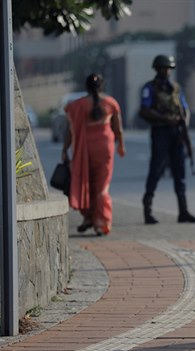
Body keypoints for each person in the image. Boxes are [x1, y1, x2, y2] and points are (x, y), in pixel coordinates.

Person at [139, 54, 195, 224]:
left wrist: (184, 123)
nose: (166, 71)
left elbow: (184, 107)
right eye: (163, 68)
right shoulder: (149, 88)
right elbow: (144, 110)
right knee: (156, 169)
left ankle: (183, 211)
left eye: (168, 68)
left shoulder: (175, 88)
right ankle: (148, 211)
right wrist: (166, 119)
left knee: (179, 171)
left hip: (177, 132)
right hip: (160, 132)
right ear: (157, 69)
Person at [62, 73, 126, 235]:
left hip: (85, 148)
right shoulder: (111, 103)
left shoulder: (76, 105)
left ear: (86, 87)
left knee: (86, 183)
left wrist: (65, 149)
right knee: (102, 186)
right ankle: (101, 222)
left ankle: (88, 218)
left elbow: (70, 131)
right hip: (105, 147)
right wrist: (121, 146)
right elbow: (118, 129)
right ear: (102, 86)